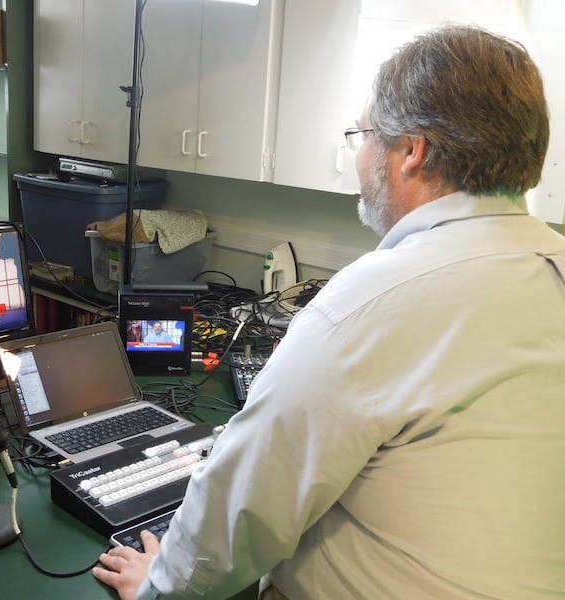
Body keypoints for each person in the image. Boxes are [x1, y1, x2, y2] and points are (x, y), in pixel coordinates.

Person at [93, 25, 565, 599]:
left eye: (362, 135)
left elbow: (242, 509)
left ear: (412, 152)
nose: (358, 158)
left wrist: (158, 587)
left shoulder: (375, 301)